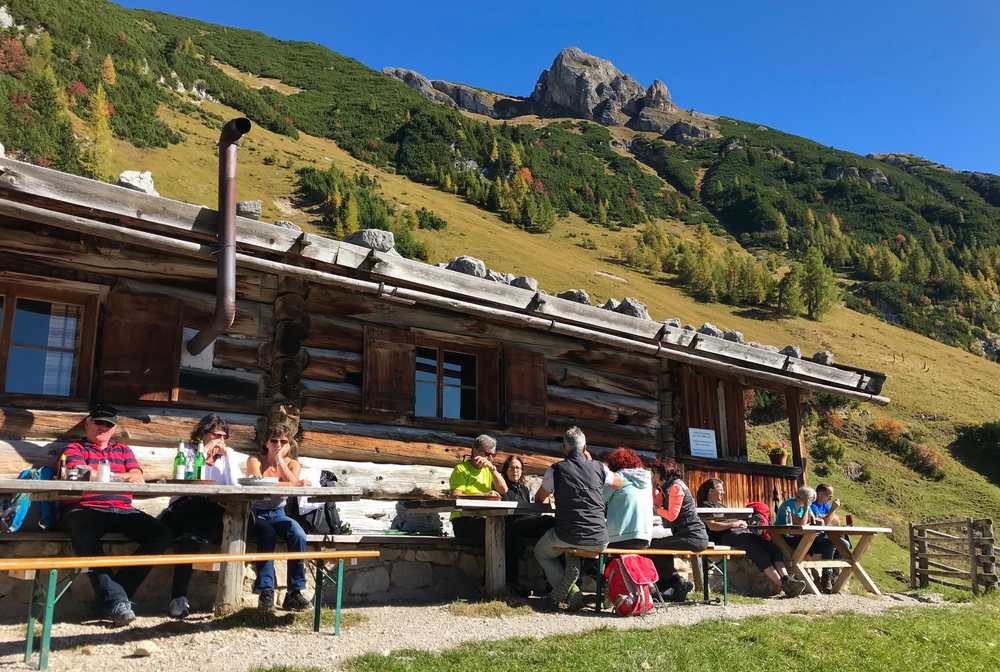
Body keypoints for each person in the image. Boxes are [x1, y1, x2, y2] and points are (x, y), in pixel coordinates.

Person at [57, 404, 171, 626]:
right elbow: (81, 474)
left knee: (161, 534)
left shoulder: (123, 450)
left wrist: (111, 476)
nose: (103, 428)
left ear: (114, 428)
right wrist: (122, 477)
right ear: (88, 423)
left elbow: (137, 476)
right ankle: (117, 600)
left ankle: (116, 596)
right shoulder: (75, 448)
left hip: (121, 508)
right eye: (99, 422)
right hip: (86, 506)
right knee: (82, 528)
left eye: (108, 424)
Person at [158, 414, 240, 618]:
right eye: (216, 435)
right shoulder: (187, 451)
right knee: (188, 535)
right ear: (203, 433)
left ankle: (180, 599)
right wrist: (204, 456)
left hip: (211, 513)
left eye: (224, 436)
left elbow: (235, 487)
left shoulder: (229, 456)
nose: (220, 440)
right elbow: (188, 483)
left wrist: (227, 458)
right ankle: (178, 599)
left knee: (190, 539)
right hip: (185, 508)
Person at [533, 427, 623, 611]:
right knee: (574, 548)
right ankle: (577, 589)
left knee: (541, 552)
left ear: (564, 448)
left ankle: (571, 592)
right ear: (585, 447)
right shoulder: (599, 467)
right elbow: (618, 483)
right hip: (599, 538)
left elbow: (539, 498)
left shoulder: (556, 470)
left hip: (568, 535)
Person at [698, 478, 806, 598]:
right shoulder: (705, 506)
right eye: (720, 490)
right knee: (757, 550)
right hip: (725, 536)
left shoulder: (721, 505)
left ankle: (787, 579)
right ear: (711, 491)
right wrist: (735, 523)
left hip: (740, 533)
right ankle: (783, 585)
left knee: (772, 547)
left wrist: (742, 520)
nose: (723, 492)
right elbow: (713, 526)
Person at [245, 422, 310, 612]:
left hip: (279, 513)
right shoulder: (255, 461)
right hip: (257, 513)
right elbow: (260, 486)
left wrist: (281, 461)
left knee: (298, 534)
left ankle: (294, 592)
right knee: (267, 534)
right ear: (266, 443)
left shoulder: (292, 463)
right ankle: (266, 591)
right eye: (274, 440)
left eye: (283, 441)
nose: (278, 444)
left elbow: (293, 487)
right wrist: (295, 484)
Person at [648, 457, 709, 602]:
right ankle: (675, 584)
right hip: (686, 534)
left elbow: (672, 516)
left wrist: (658, 510)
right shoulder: (666, 487)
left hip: (694, 536)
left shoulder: (676, 487)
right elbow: (656, 502)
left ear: (660, 472)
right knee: (657, 544)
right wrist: (653, 486)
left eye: (654, 473)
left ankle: (673, 584)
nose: (652, 475)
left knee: (655, 546)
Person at [501, 455, 554, 594]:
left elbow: (529, 511)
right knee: (548, 521)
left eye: (518, 468)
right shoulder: (503, 486)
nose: (515, 471)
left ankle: (550, 583)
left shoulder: (523, 488)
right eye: (511, 468)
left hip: (524, 523)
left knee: (549, 529)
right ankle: (513, 584)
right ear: (506, 470)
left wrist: (542, 504)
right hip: (511, 524)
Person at [776, 485, 838, 592]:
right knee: (814, 543)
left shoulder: (807, 506)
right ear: (805, 498)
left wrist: (815, 518)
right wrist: (806, 509)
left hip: (800, 536)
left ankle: (826, 577)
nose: (812, 501)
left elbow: (816, 521)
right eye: (810, 499)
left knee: (829, 542)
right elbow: (800, 524)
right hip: (785, 536)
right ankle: (812, 581)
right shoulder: (789, 505)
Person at [448, 435, 507, 545]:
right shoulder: (461, 469)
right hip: (463, 519)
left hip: (483, 517)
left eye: (493, 455)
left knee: (509, 530)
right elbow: (455, 496)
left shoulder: (488, 469)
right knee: (495, 532)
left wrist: (493, 469)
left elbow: (503, 490)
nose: (490, 458)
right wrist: (484, 496)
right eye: (487, 454)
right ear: (475, 451)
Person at [603, 447, 652, 551]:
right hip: (644, 537)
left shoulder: (617, 478)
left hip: (621, 537)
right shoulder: (647, 480)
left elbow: (599, 500)